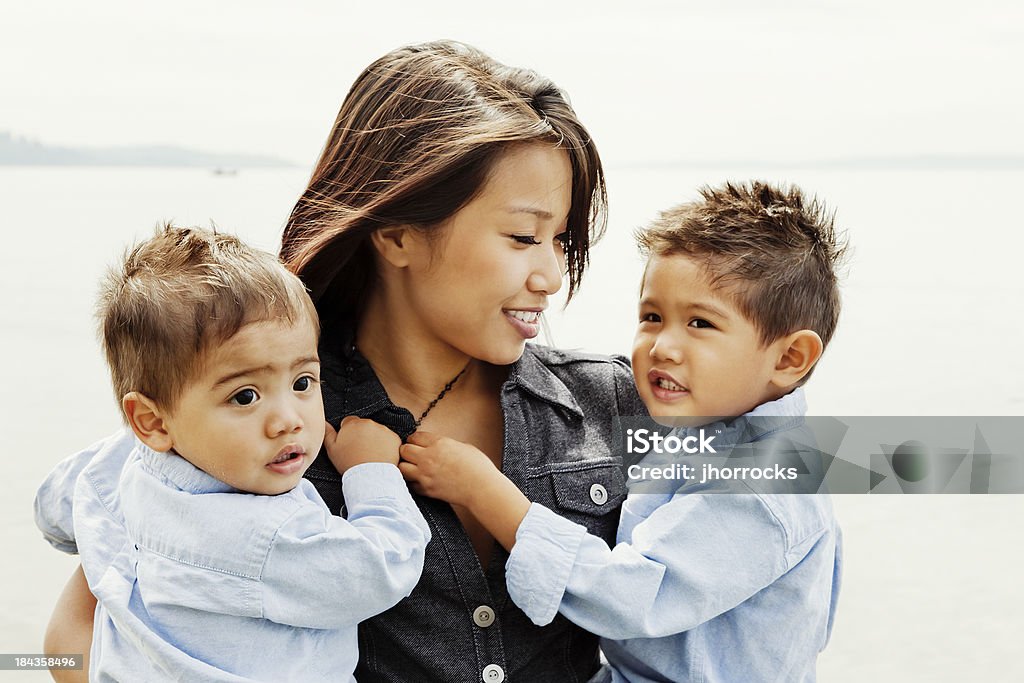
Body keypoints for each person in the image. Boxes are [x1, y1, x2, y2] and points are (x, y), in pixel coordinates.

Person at [42, 41, 644, 682]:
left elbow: (755, 531)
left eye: (561, 239)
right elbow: (71, 640)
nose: (552, 274)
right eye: (524, 237)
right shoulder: (261, 419)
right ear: (396, 233)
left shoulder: (613, 397)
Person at [399, 181, 845, 682]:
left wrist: (487, 493)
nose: (663, 347)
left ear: (789, 358)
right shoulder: (705, 435)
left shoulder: (764, 487)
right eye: (652, 316)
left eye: (700, 324)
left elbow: (634, 596)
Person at [34, 226, 430, 681]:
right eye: (245, 397)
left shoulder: (124, 460)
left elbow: (57, 506)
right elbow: (382, 568)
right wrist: (371, 471)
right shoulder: (271, 535)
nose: (287, 419)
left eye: (303, 383)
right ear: (154, 422)